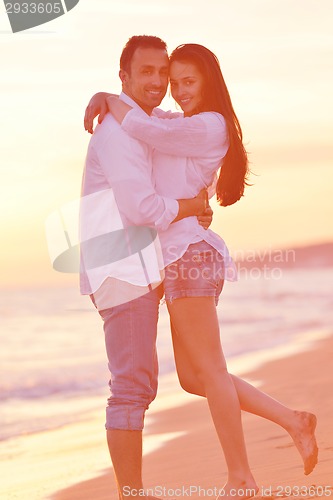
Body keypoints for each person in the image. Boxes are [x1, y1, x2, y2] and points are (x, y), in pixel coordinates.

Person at [85, 42, 318, 499]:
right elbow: (153, 124)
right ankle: (293, 420)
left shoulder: (206, 126)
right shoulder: (183, 123)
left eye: (187, 81)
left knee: (208, 370)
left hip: (189, 254)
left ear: (210, 82)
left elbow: (145, 129)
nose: (177, 90)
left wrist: (112, 100)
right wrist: (113, 97)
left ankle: (241, 476)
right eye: (175, 83)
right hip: (174, 258)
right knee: (195, 378)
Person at [80, 36, 213, 500]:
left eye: (163, 72)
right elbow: (140, 208)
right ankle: (132, 494)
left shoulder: (147, 122)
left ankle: (132, 492)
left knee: (140, 383)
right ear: (126, 76)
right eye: (148, 73)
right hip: (120, 266)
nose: (158, 82)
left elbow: (182, 125)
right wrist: (193, 203)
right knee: (132, 386)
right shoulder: (117, 133)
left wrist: (110, 99)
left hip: (137, 264)